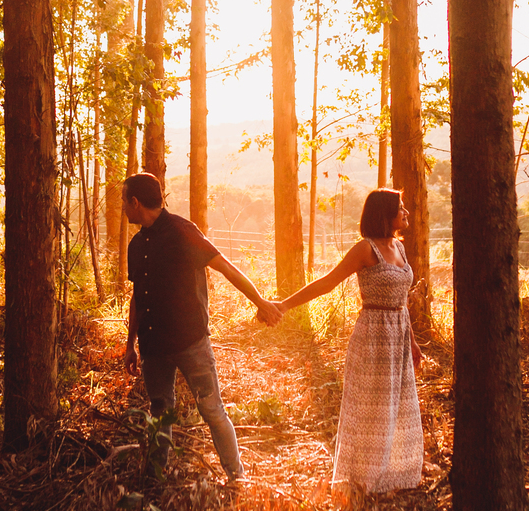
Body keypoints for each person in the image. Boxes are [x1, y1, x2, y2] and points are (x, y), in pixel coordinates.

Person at [122, 172, 282, 482]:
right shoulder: (136, 245)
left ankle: (237, 476)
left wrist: (260, 302)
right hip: (153, 347)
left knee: (212, 410)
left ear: (136, 202)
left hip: (190, 342)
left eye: (124, 201)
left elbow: (226, 268)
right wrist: (131, 344)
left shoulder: (183, 232)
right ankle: (155, 479)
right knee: (160, 411)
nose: (123, 208)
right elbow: (137, 296)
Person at [278, 187, 424, 494]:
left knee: (397, 405)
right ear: (384, 213)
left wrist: (412, 341)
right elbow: (327, 283)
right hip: (373, 336)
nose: (406, 212)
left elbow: (402, 301)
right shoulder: (365, 250)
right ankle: (363, 479)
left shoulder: (400, 247)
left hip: (398, 334)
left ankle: (394, 474)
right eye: (400, 207)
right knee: (371, 408)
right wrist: (284, 305)